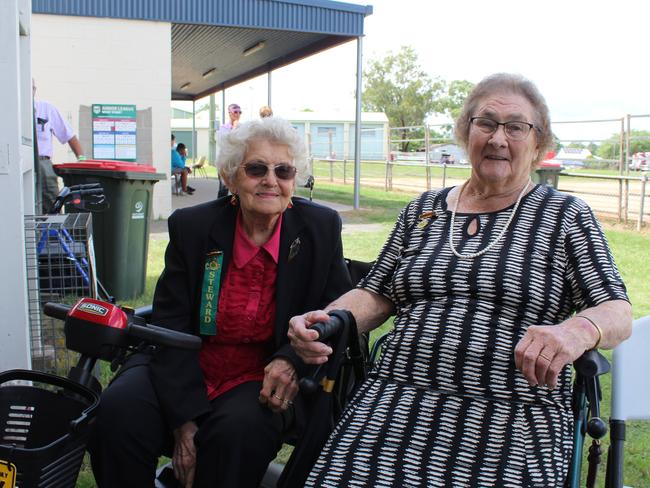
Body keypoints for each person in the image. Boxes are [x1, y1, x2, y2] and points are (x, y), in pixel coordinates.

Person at [289, 73, 633, 486]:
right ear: (466, 131)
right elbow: (375, 292)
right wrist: (324, 320)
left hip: (512, 416)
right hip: (397, 399)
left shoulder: (565, 216)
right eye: (485, 123)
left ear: (538, 143)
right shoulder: (424, 210)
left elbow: (617, 309)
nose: (498, 138)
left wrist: (578, 331)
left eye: (516, 127)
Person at [89, 117, 352, 487]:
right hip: (184, 360)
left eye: (284, 170)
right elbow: (171, 323)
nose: (271, 180)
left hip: (261, 371)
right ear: (230, 177)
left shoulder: (320, 228)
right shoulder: (193, 227)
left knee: (237, 433)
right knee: (119, 411)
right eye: (256, 168)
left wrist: (291, 359)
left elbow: (335, 312)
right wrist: (184, 422)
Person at [33, 80, 85, 213]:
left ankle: (52, 232)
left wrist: (82, 160)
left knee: (51, 205)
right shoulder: (12, 112)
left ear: (35, 90)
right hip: (21, 162)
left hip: (42, 162)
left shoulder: (46, 108)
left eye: (32, 88)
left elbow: (69, 135)